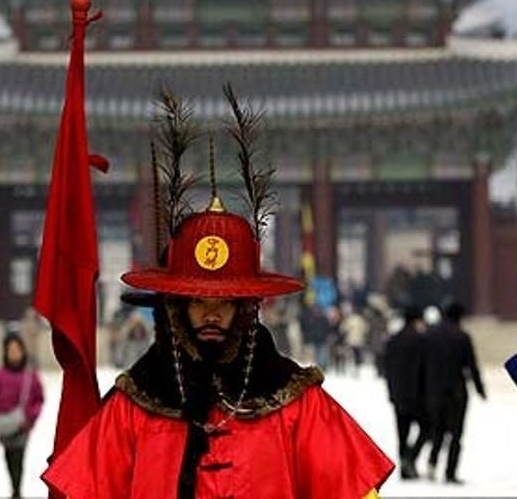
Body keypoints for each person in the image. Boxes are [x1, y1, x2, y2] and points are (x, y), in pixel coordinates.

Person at [42, 193, 394, 498]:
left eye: (225, 302)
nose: (212, 314)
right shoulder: (133, 404)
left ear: (245, 309)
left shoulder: (299, 403)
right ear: (176, 308)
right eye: (197, 301)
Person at [421, 301, 485, 484]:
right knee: (456, 435)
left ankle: (432, 463)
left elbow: (423, 364)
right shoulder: (462, 337)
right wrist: (480, 389)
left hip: (434, 390)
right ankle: (450, 472)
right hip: (456, 392)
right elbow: (471, 366)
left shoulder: (430, 335)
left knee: (437, 430)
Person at [0, 332, 45, 498]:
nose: (14, 353)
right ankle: (14, 486)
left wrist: (31, 416)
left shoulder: (31, 375)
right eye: (10, 350)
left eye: (17, 350)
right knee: (8, 456)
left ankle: (16, 491)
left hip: (23, 424)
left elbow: (39, 398)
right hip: (4, 424)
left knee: (18, 457)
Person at [384, 306, 428, 479]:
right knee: (426, 428)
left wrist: (391, 390)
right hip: (416, 394)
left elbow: (386, 368)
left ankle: (404, 466)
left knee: (402, 433)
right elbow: (424, 368)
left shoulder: (394, 340)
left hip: (397, 394)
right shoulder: (420, 340)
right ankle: (411, 458)